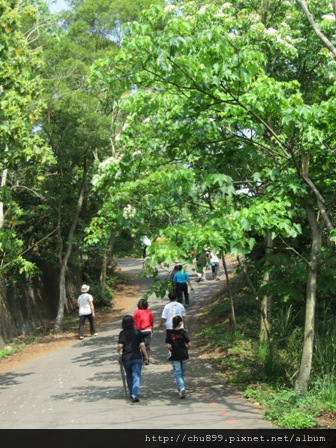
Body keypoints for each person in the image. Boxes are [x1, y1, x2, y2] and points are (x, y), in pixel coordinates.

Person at [117, 315, 149, 403]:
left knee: (129, 376)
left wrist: (118, 350)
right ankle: (135, 394)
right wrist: (146, 355)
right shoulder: (137, 332)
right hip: (136, 357)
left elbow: (120, 346)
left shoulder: (122, 333)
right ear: (132, 323)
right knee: (136, 376)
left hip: (126, 358)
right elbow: (142, 345)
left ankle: (132, 393)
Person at [166, 315, 191, 399]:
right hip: (184, 354)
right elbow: (189, 344)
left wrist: (172, 349)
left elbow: (168, 346)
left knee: (177, 372)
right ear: (180, 323)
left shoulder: (170, 333)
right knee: (182, 373)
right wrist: (185, 348)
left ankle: (181, 388)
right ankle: (181, 388)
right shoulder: (183, 332)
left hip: (175, 355)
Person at [133, 299, 154, 364]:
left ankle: (142, 357)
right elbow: (151, 323)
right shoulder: (149, 312)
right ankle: (146, 358)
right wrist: (152, 330)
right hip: (147, 330)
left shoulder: (136, 312)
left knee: (140, 344)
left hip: (139, 330)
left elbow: (133, 322)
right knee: (147, 345)